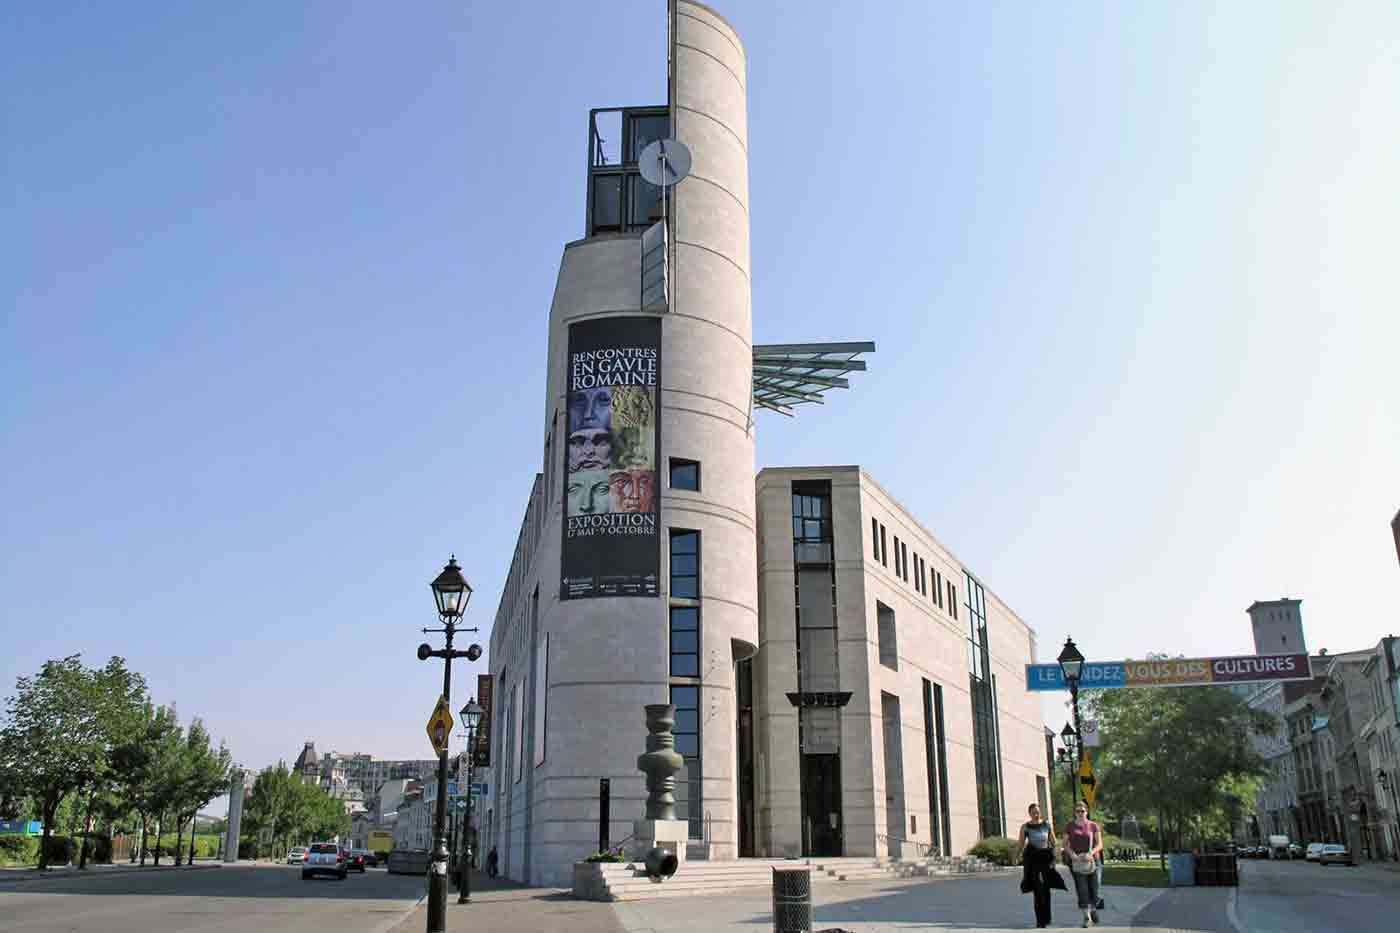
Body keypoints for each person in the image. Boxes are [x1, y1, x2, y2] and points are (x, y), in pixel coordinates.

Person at [1017, 802, 1066, 928]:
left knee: (1046, 888)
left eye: (1037, 812)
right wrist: (1017, 856)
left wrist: (1056, 856)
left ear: (1040, 812)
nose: (1036, 814)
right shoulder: (1025, 827)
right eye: (1033, 812)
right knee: (1038, 888)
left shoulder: (1047, 825)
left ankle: (1047, 918)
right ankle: (1040, 920)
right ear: (1030, 814)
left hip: (1046, 859)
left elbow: (1054, 843)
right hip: (1033, 860)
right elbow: (1021, 844)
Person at [1065, 801, 1103, 927]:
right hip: (1077, 861)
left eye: (1082, 811)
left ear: (1086, 812)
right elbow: (1065, 845)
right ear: (1074, 813)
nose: (1080, 813)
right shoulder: (1070, 826)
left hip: (1093, 860)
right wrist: (1072, 855)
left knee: (1095, 889)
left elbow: (1100, 844)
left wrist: (1091, 853)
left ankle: (1093, 909)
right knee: (1082, 889)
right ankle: (1087, 918)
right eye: (1078, 811)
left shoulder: (1093, 825)